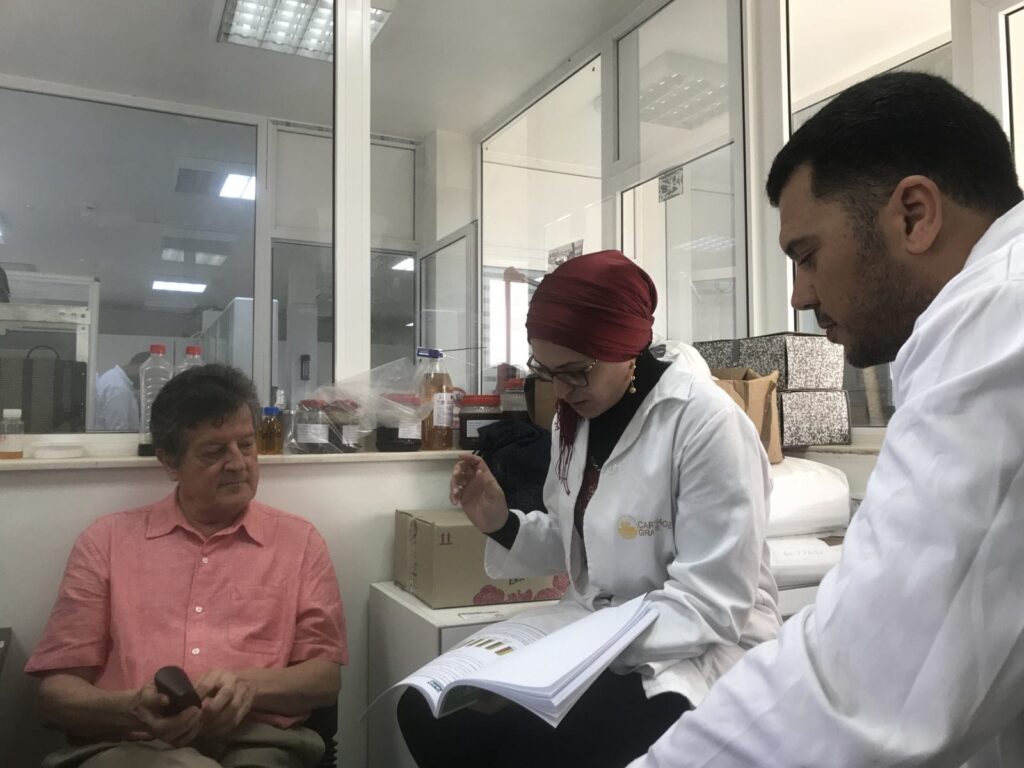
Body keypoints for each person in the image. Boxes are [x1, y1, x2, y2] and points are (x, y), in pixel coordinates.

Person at [629, 71, 1024, 768]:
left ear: (914, 215)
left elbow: (867, 686)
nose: (799, 295)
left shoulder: (998, 315)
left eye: (807, 257)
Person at [397, 250, 781, 768]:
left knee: (530, 750)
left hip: (692, 648)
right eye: (547, 371)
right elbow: (582, 542)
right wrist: (501, 522)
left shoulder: (708, 425)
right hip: (594, 631)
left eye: (575, 372)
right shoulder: (574, 420)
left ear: (626, 348)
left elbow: (714, 605)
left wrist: (578, 654)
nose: (561, 390)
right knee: (427, 713)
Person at [26, 364, 348, 767]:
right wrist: (131, 707)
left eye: (246, 445)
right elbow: (55, 692)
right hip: (131, 743)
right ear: (169, 463)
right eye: (214, 452)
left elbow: (324, 679)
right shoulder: (106, 542)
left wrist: (249, 686)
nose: (238, 463)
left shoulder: (299, 542)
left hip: (258, 740)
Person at [94, 350, 149, 431]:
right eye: (147, 375)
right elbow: (118, 430)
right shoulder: (118, 388)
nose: (146, 381)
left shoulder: (113, 377)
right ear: (140, 367)